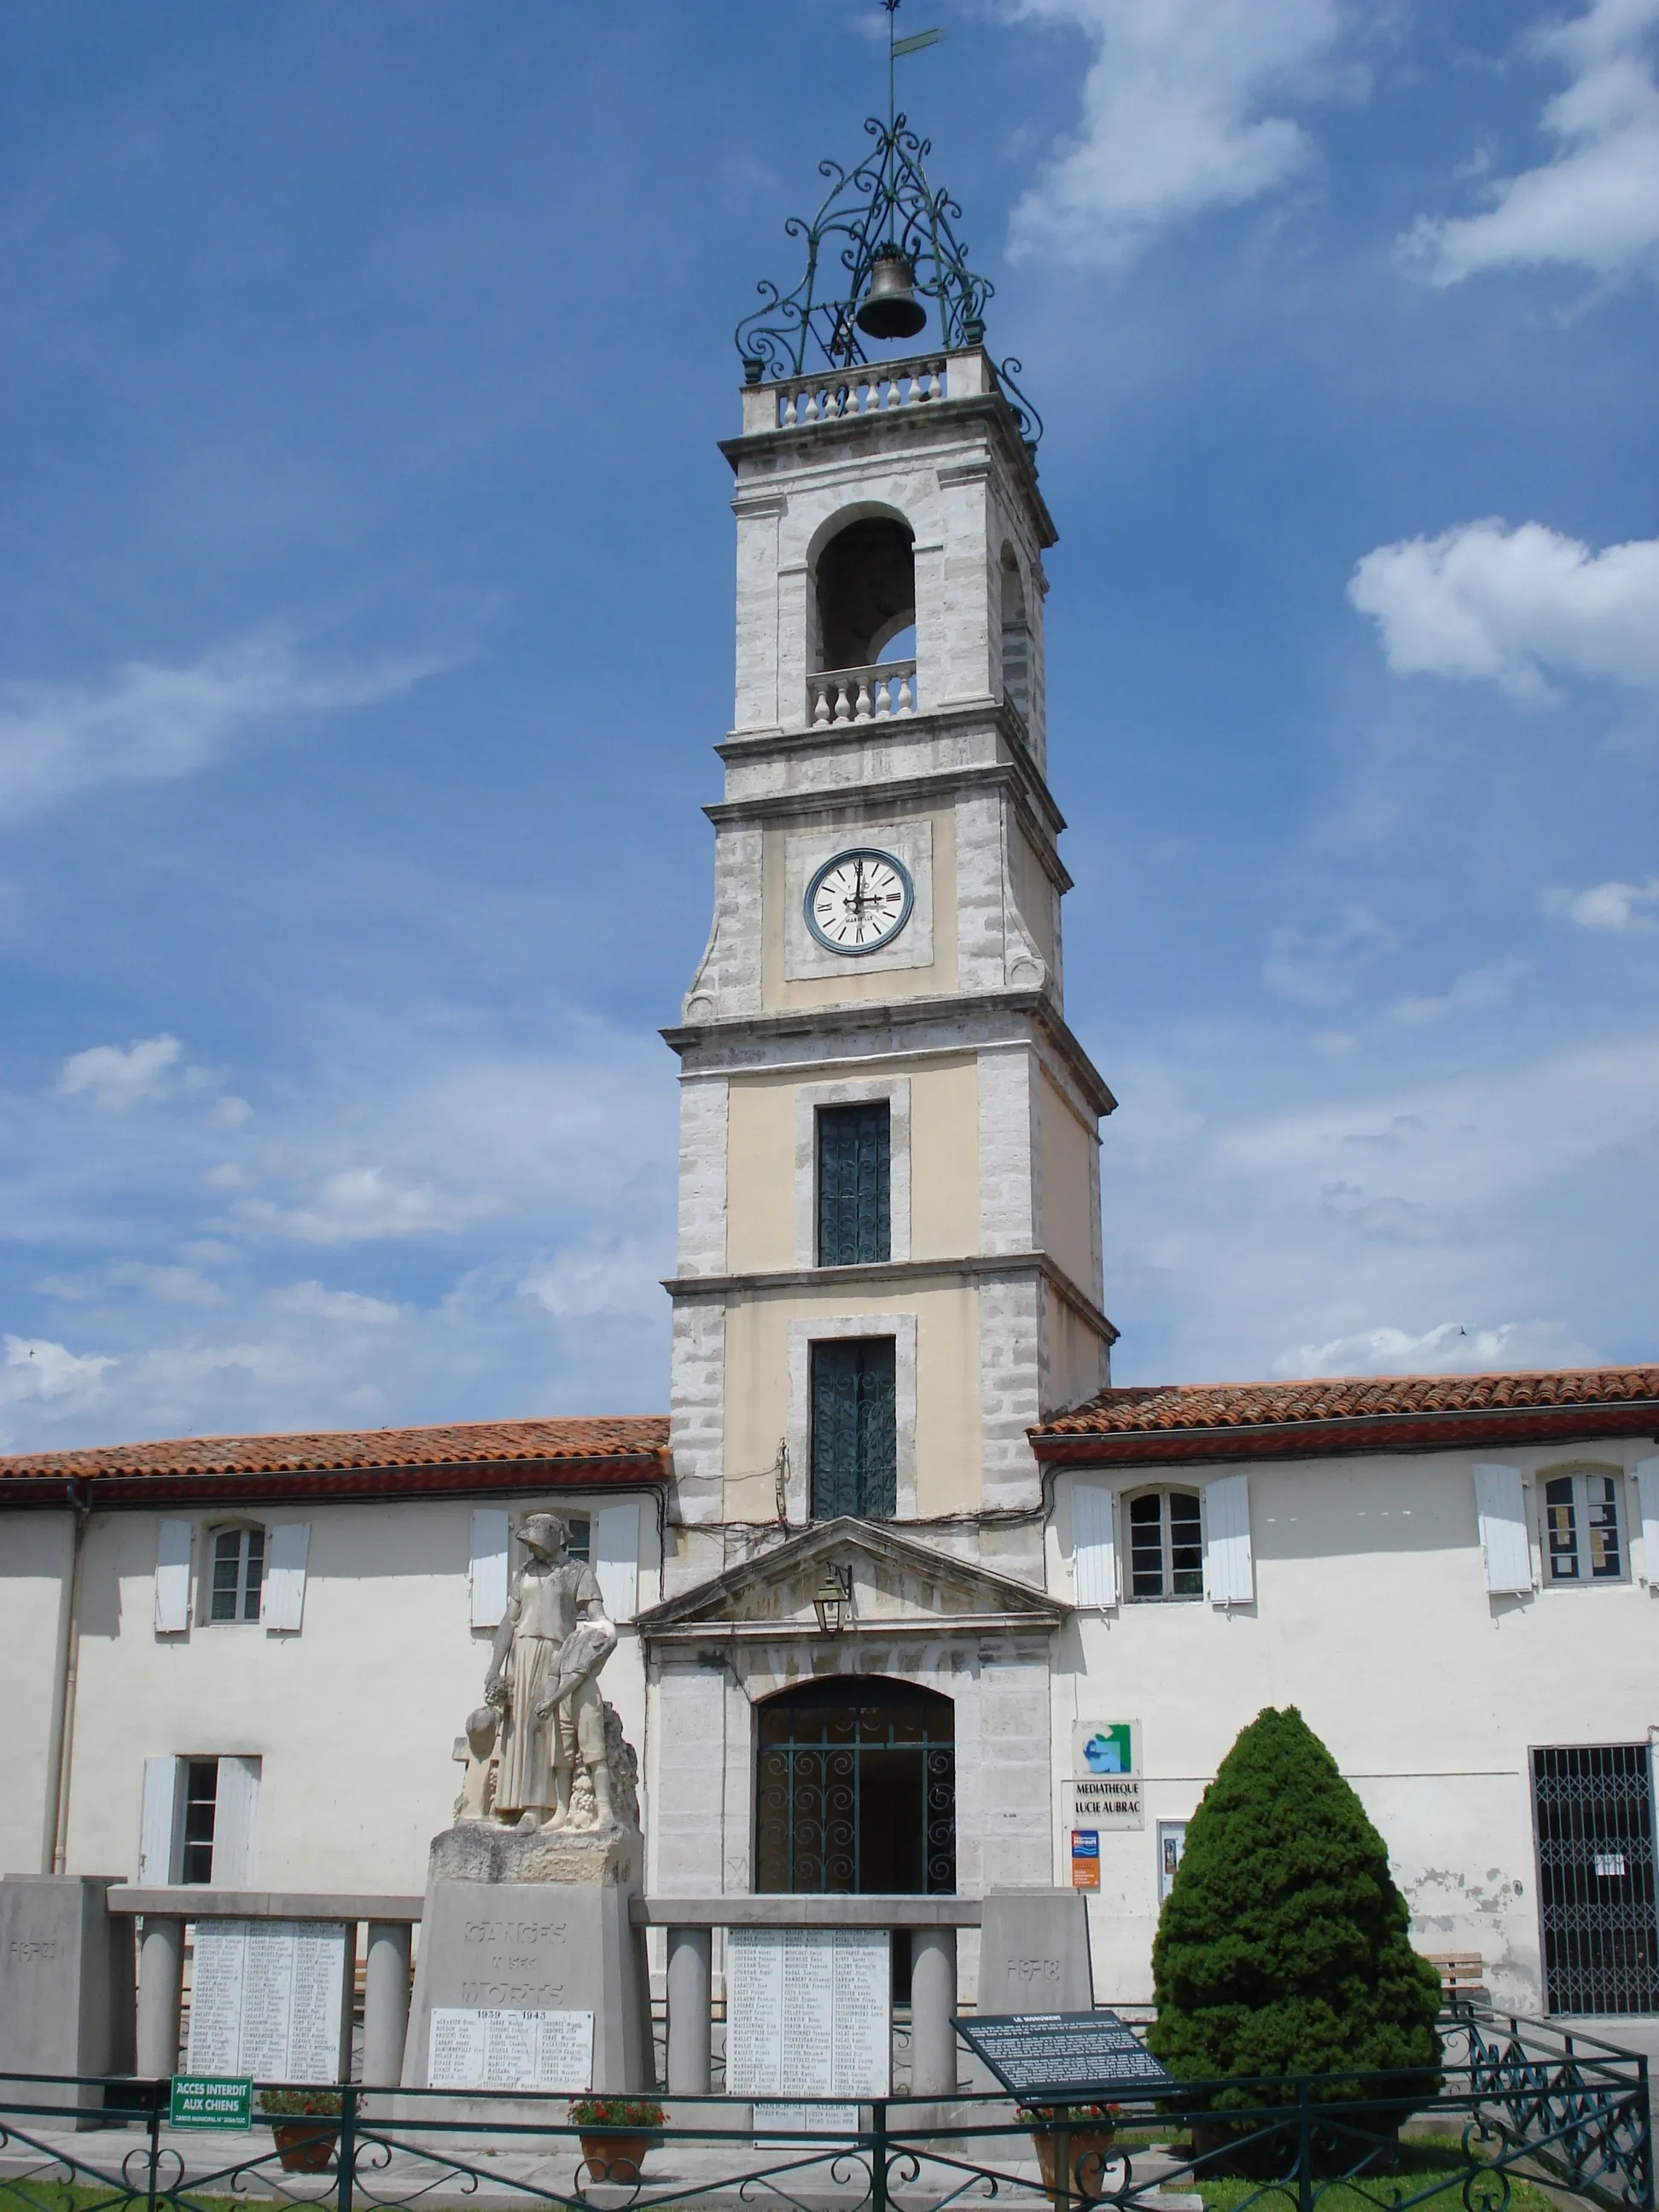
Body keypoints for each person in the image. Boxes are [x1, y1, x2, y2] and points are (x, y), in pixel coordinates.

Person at [482, 1512, 618, 1832]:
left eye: (535, 1541)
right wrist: (493, 1669)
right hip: (522, 1653)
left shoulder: (578, 1572)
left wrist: (596, 1643)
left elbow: (597, 1616)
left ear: (553, 1538)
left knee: (547, 1732)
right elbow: (509, 1621)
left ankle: (538, 1807)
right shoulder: (525, 1573)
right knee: (517, 1728)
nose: (531, 1549)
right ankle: (511, 1804)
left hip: (557, 1654)